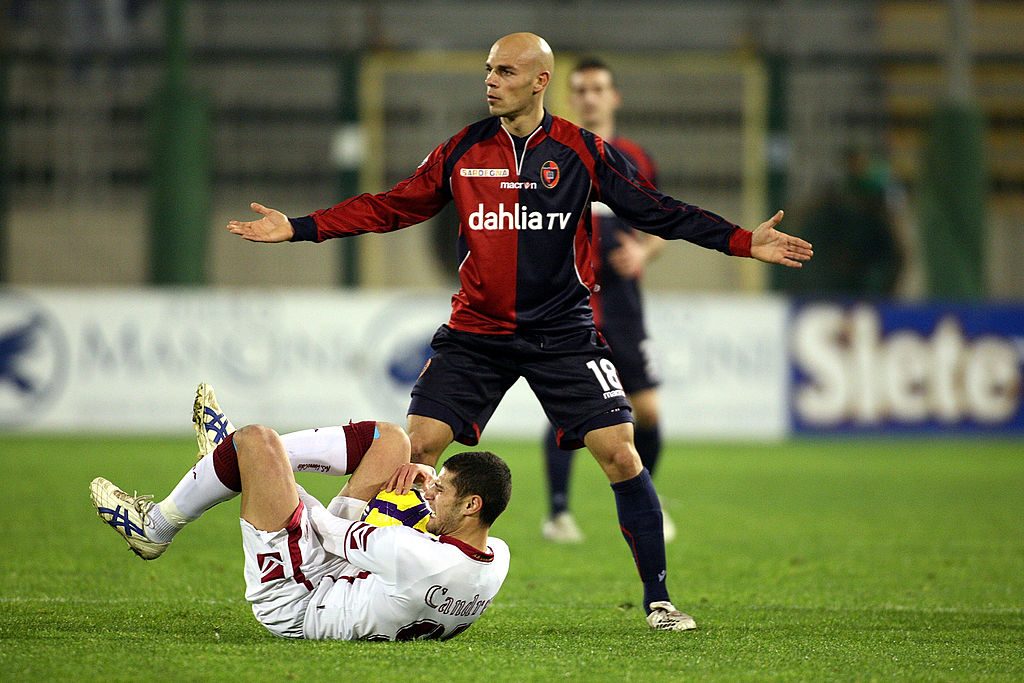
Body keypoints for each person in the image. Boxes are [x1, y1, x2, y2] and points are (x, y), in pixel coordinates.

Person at [227, 32, 813, 631]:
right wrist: (299, 227)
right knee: (417, 447)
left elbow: (656, 209)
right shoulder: (462, 150)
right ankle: (354, 571)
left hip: (564, 333)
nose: (490, 80)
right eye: (488, 70)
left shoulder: (580, 152)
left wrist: (742, 240)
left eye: (505, 71)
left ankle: (659, 600)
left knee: (620, 453)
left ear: (539, 81)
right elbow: (391, 205)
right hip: (477, 333)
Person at [90, 384, 511, 642]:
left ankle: (157, 524)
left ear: (472, 505)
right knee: (391, 441)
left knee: (256, 441)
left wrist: (259, 470)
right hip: (355, 572)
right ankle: (224, 460)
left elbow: (326, 529)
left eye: (441, 488)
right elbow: (427, 550)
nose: (430, 489)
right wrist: (421, 491)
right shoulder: (496, 558)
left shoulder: (416, 555)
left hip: (300, 599)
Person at [540, 57, 671, 545]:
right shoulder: (553, 155)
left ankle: (648, 500)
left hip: (624, 306)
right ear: (571, 98)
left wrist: (641, 251)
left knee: (649, 412)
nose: (590, 97)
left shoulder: (635, 156)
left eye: (598, 88)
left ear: (613, 96)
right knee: (567, 412)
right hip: (570, 304)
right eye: (581, 89)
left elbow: (662, 224)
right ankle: (558, 513)